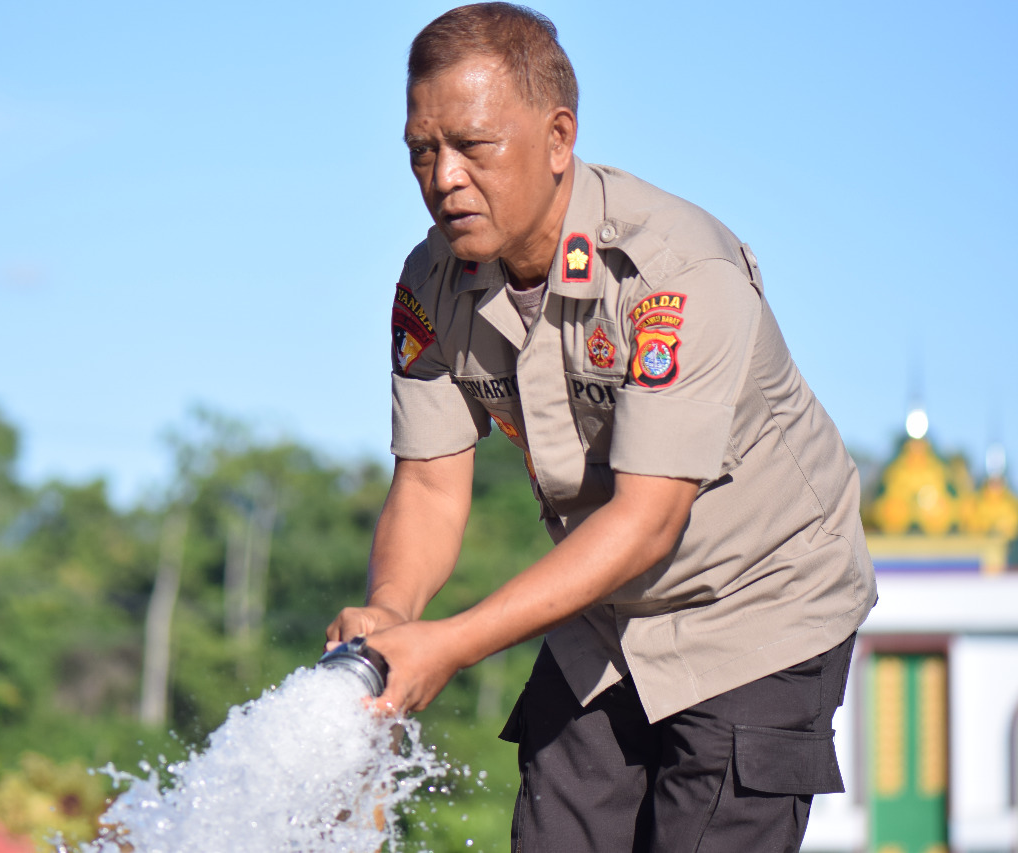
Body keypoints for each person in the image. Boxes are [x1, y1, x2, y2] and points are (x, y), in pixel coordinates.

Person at [326, 3, 877, 851]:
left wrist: (452, 644)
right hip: (606, 614)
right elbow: (431, 480)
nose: (443, 178)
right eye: (421, 152)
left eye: (473, 146)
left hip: (759, 603)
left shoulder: (673, 272)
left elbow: (648, 516)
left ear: (557, 138)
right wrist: (395, 613)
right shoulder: (430, 282)